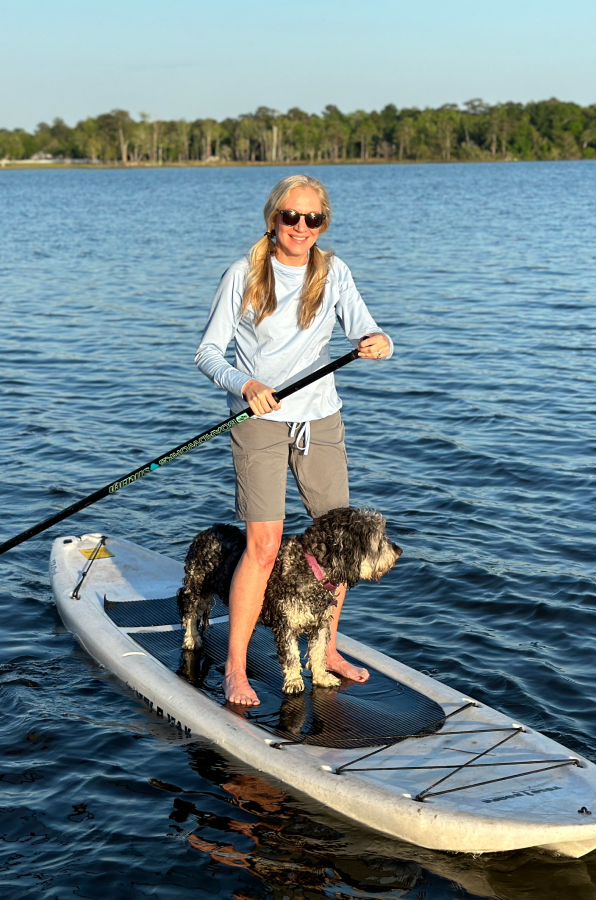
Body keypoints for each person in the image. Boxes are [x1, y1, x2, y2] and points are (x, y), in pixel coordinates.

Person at [196, 174, 393, 706]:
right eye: (291, 217)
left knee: (341, 543)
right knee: (263, 546)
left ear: (323, 223)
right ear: (273, 218)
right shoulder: (243, 274)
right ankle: (235, 668)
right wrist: (248, 385)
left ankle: (325, 649)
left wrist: (380, 342)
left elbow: (368, 330)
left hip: (320, 420)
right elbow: (208, 354)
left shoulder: (334, 272)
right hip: (259, 421)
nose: (301, 228)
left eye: (313, 219)